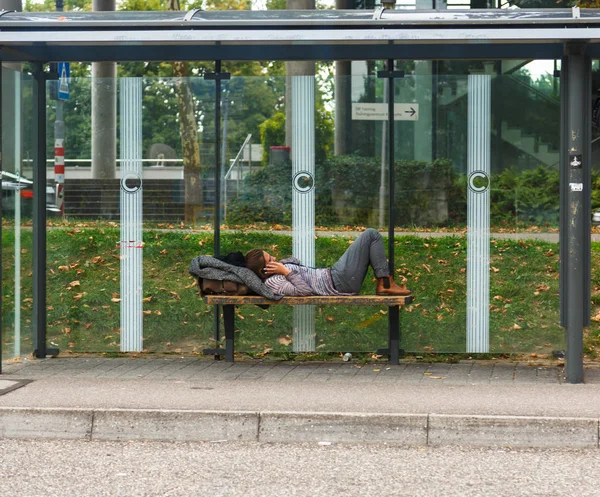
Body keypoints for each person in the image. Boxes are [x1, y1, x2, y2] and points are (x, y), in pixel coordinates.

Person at [245, 228, 411, 297]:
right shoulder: (274, 282)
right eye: (270, 260)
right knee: (371, 235)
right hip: (338, 281)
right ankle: (386, 283)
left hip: (335, 275)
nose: (274, 258)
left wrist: (282, 266)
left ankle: (385, 282)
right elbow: (304, 291)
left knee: (370, 236)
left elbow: (295, 261)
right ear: (263, 271)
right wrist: (285, 272)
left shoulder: (277, 272)